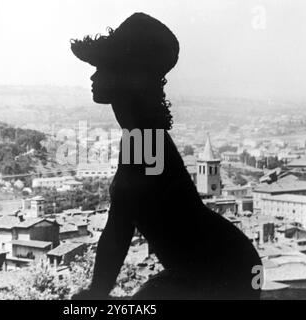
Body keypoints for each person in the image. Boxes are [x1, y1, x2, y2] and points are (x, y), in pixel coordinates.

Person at [70, 12, 262, 300]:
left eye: (104, 67)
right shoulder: (144, 136)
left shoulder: (144, 140)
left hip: (216, 270)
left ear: (126, 75)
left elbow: (119, 228)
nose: (93, 75)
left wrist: (96, 293)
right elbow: (121, 224)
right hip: (228, 264)